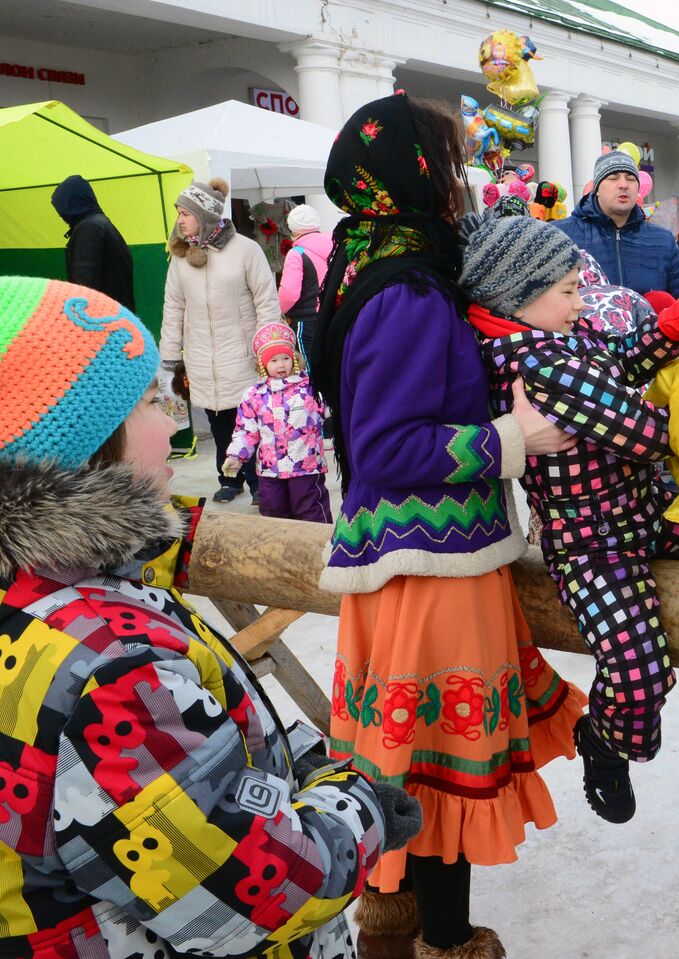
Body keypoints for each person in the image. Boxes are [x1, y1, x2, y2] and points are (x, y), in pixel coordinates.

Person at [0, 275, 421, 959]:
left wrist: (294, 760)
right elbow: (262, 893)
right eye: (147, 403)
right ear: (77, 448)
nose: (172, 424)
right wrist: (357, 801)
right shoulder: (110, 670)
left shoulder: (44, 593)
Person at [311, 92, 584, 959]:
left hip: (407, 562)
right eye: (449, 162)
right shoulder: (408, 287)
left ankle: (393, 925)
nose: (460, 180)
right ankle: (449, 941)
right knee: (432, 771)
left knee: (402, 762)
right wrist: (516, 438)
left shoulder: (368, 258)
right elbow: (392, 445)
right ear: (417, 174)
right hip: (429, 569)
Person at [459, 213, 679, 823]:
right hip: (592, 546)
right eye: (568, 290)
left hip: (646, 514)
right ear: (517, 297)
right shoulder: (536, 365)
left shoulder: (557, 336)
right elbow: (643, 434)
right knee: (638, 667)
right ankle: (605, 742)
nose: (580, 302)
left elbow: (615, 358)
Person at [160, 177, 280, 504]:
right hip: (201, 358)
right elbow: (173, 306)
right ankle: (229, 478)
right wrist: (169, 355)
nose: (180, 220)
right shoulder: (181, 258)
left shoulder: (245, 249)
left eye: (186, 213)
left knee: (250, 422)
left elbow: (266, 300)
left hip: (242, 355)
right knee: (218, 423)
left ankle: (259, 482)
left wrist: (268, 350)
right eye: (178, 213)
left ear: (206, 215)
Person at [222, 321, 331, 522]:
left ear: (295, 360)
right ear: (263, 365)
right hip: (270, 471)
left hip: (305, 467)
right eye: (273, 360)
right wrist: (236, 455)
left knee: (310, 511)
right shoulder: (254, 395)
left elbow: (330, 412)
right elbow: (246, 430)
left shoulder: (309, 389)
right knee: (273, 515)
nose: (281, 365)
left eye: (285, 358)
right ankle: (279, 552)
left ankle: (318, 550)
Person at [556, 150, 679, 297]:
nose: (623, 185)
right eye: (613, 178)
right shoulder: (561, 235)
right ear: (597, 189)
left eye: (631, 179)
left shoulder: (664, 241)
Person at [49, 173, 134, 309]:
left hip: (100, 319)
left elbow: (83, 287)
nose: (60, 215)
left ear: (71, 203)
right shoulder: (102, 223)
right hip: (117, 314)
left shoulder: (89, 229)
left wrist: (78, 317)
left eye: (61, 208)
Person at [277, 203, 332, 356]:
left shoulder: (297, 253)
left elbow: (289, 293)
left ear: (293, 228)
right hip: (333, 315)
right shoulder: (336, 246)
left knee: (309, 370)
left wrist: (279, 311)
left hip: (306, 320)